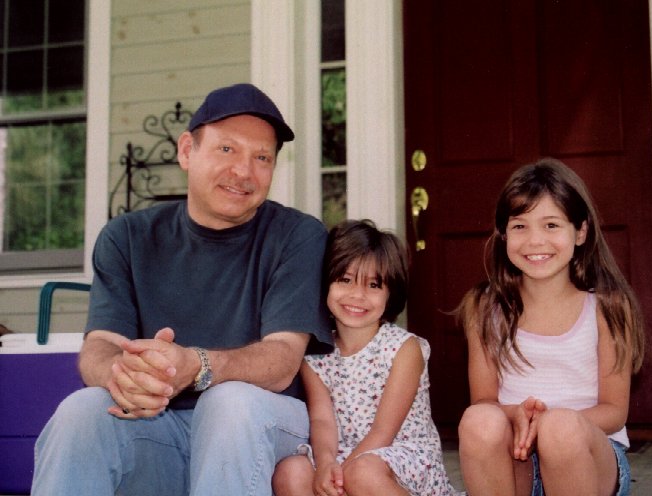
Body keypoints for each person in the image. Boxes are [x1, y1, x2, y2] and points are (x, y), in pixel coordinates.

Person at [32, 83, 334, 496]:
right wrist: (123, 376)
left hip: (263, 426)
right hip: (160, 429)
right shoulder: (127, 237)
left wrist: (197, 365)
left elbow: (282, 360)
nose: (244, 172)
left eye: (262, 157)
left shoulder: (297, 235)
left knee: (228, 403)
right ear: (187, 151)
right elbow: (101, 343)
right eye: (227, 150)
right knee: (81, 411)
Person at [456, 158, 645, 495]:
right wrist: (519, 415)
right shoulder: (486, 309)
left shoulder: (608, 307)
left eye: (551, 225)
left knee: (561, 427)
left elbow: (615, 411)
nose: (534, 241)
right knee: (477, 420)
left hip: (589, 455)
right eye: (520, 226)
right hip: (518, 457)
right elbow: (484, 400)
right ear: (503, 234)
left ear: (581, 231)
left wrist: (547, 422)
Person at [272, 219, 463, 496]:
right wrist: (326, 465)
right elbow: (323, 421)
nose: (357, 295)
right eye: (345, 280)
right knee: (291, 471)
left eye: (374, 285)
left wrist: (343, 473)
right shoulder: (316, 356)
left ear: (391, 293)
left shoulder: (403, 348)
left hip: (398, 456)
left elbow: (384, 430)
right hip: (345, 453)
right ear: (324, 283)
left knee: (361, 473)